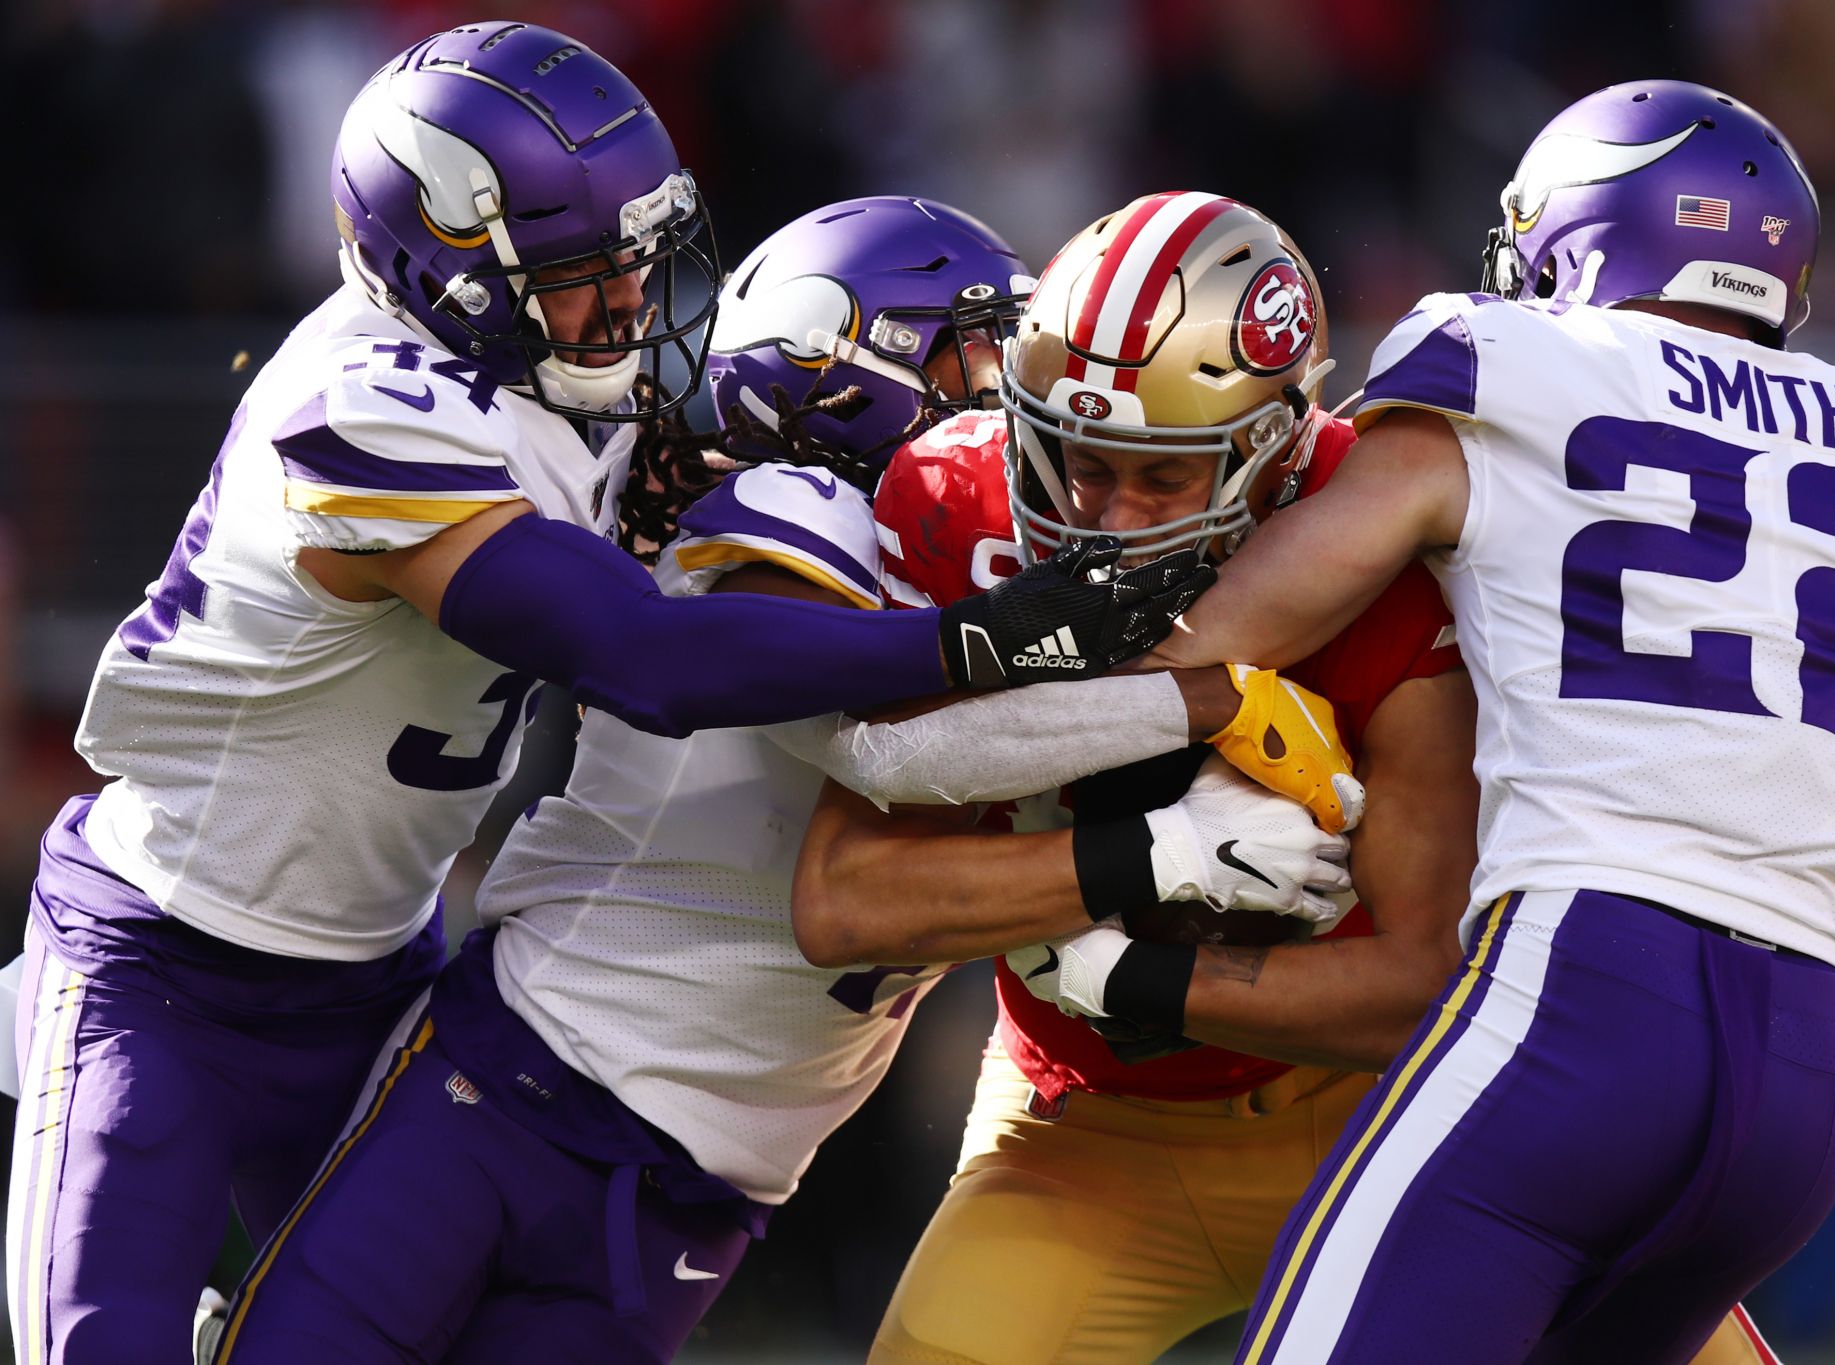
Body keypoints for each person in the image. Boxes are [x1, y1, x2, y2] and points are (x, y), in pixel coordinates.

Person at [4, 29, 1204, 1365]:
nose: (627, 304)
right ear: (445, 268)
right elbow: (651, 662)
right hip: (168, 958)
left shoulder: (576, 385)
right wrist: (985, 645)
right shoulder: (363, 402)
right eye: (583, 275)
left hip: (374, 966)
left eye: (635, 258)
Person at [206, 197, 1331, 1365]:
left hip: (715, 1172)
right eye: (977, 347)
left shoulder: (989, 572)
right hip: (526, 1070)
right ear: (849, 366)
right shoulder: (797, 507)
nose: (1012, 395)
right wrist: (1203, 710)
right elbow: (868, 738)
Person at [810, 189, 1777, 1365]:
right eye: (1075, 457)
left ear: (1271, 456)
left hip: (1380, 1119)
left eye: (1158, 476)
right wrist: (1135, 864)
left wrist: (1141, 975)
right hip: (1083, 1128)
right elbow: (843, 900)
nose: (1102, 519)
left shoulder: (1386, 550)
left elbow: (1425, 978)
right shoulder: (956, 505)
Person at [1138, 82, 1835, 1364]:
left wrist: (1109, 693)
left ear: (1575, 231)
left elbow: (1242, 631)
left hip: (1582, 994)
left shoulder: (1512, 358)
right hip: (1804, 1068)